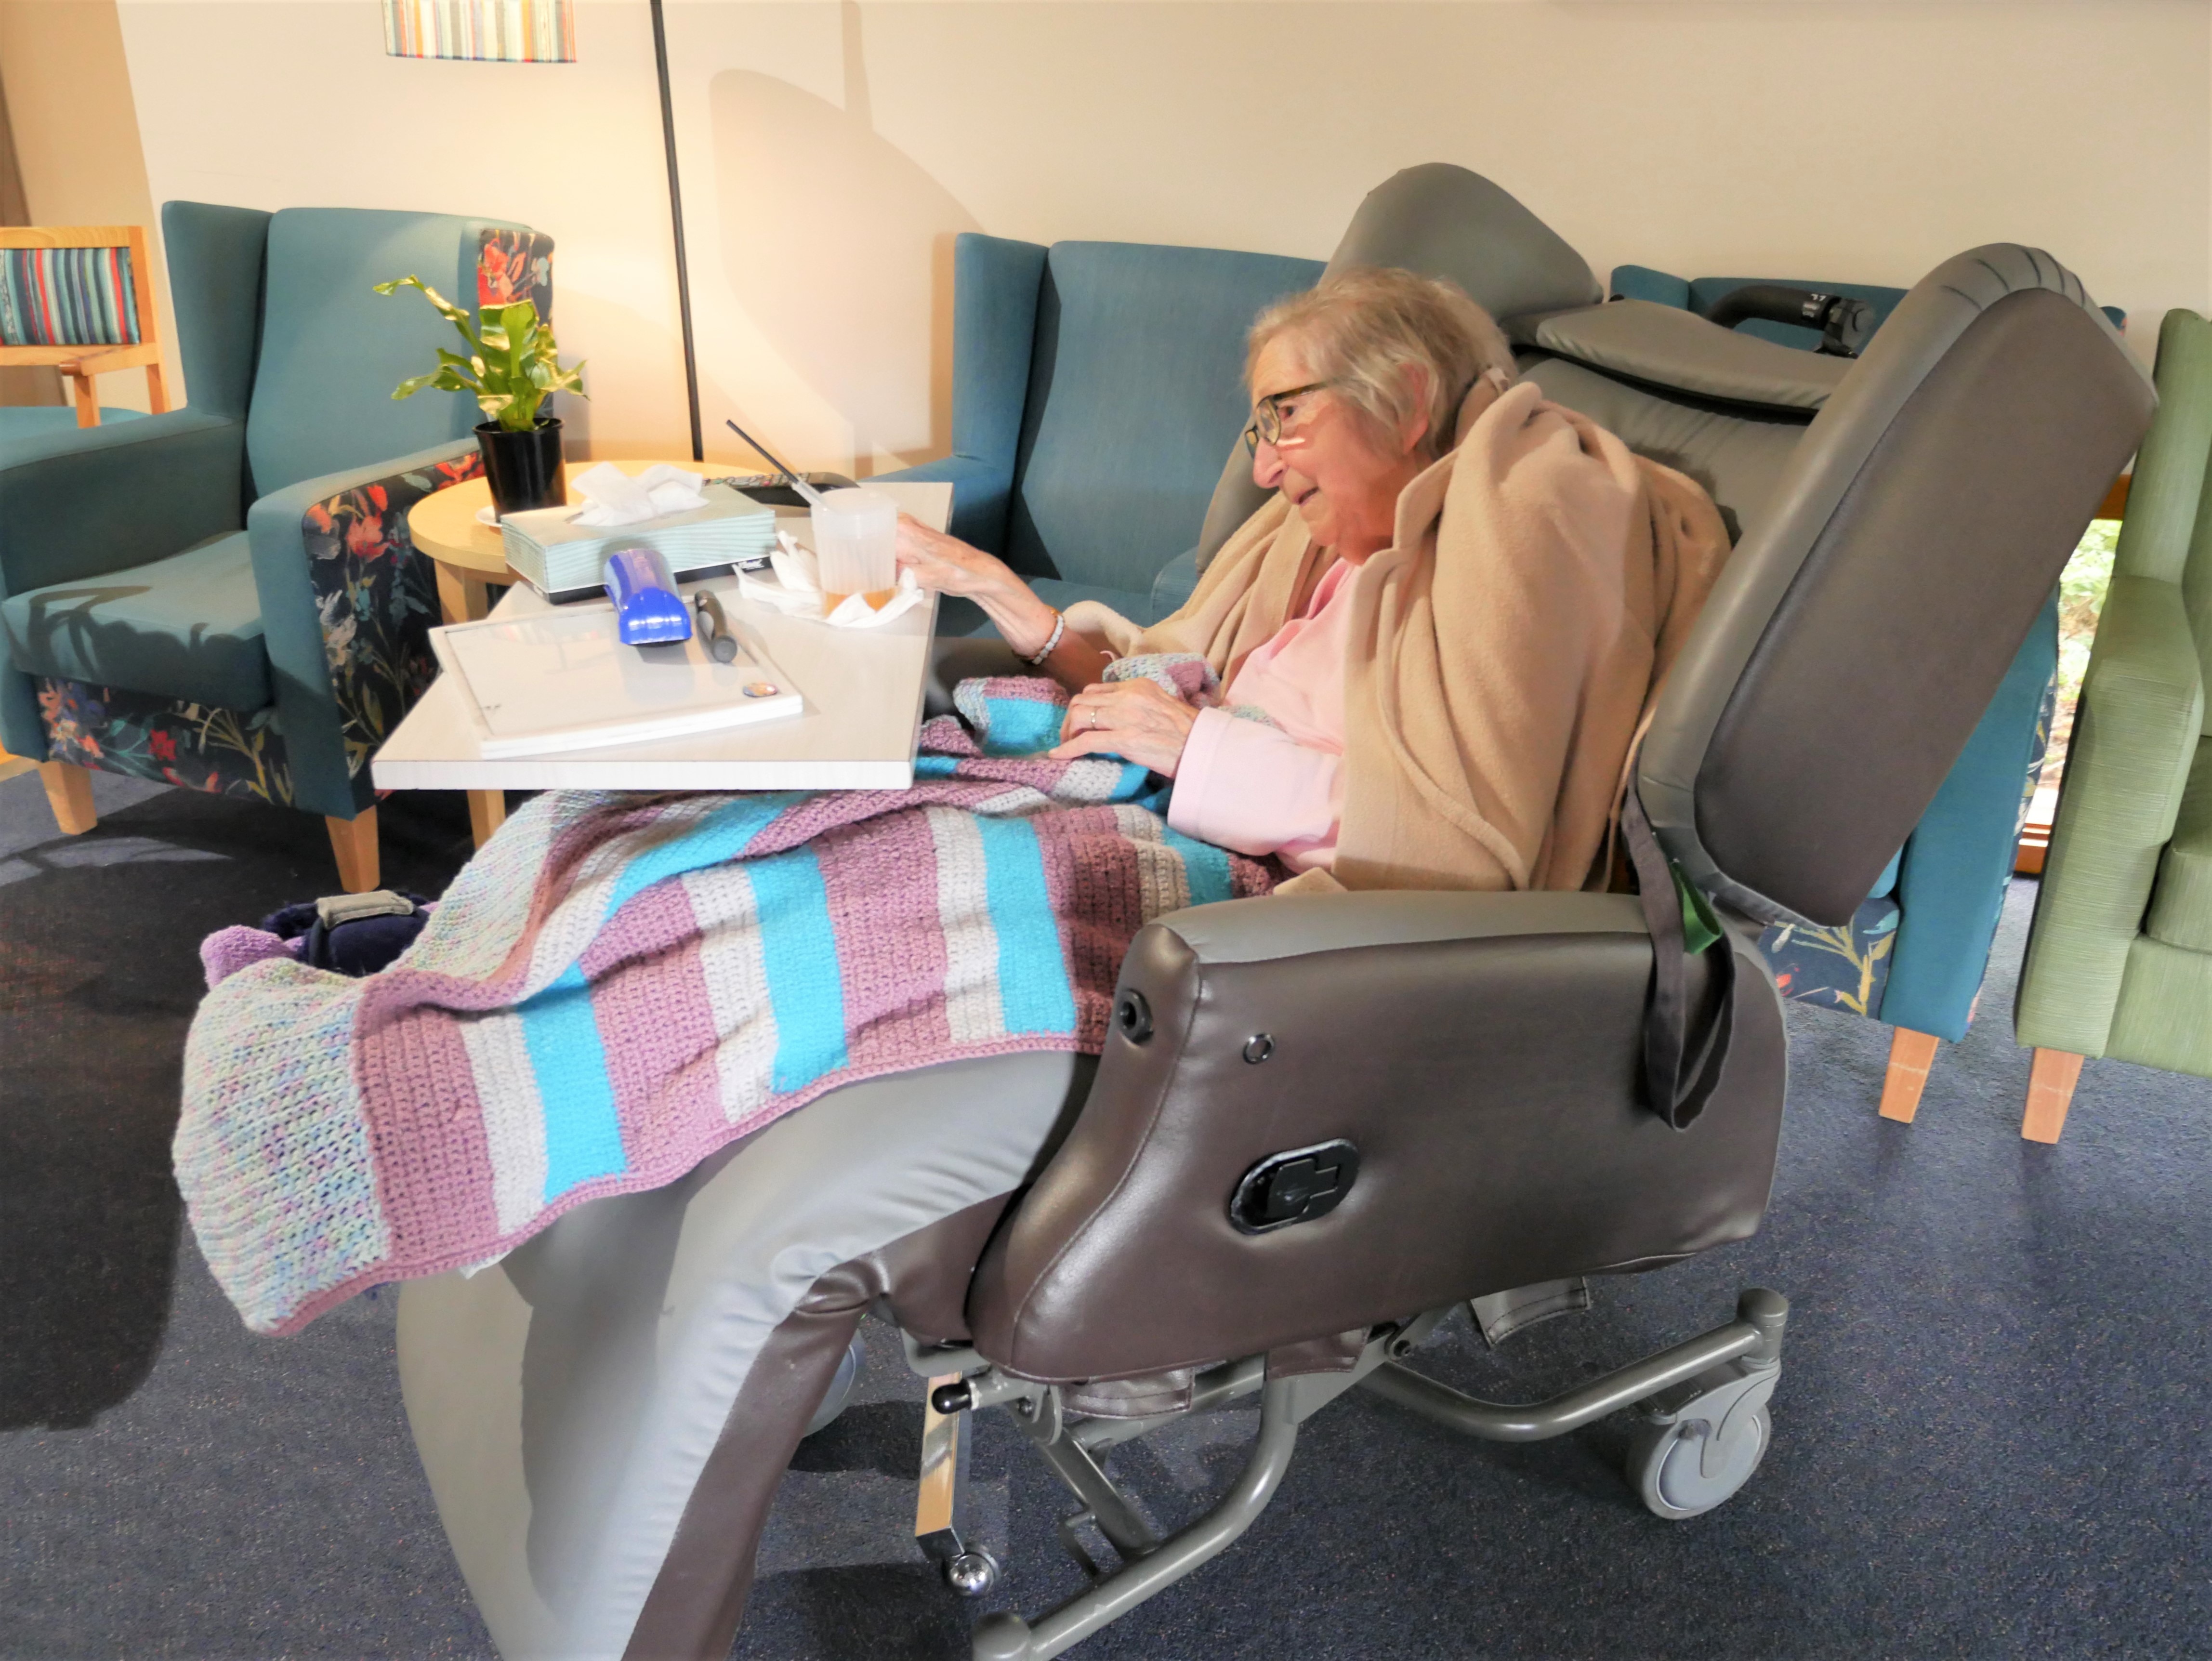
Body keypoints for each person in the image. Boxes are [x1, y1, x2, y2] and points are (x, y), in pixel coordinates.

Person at [895, 265, 1728, 892]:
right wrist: (988, 583)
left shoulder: (1511, 536)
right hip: (1148, 813)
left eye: (1283, 416)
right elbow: (1152, 692)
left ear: (1404, 403)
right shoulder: (1319, 552)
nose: (1262, 469)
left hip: (1245, 905)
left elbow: (1454, 851)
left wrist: (1196, 748)